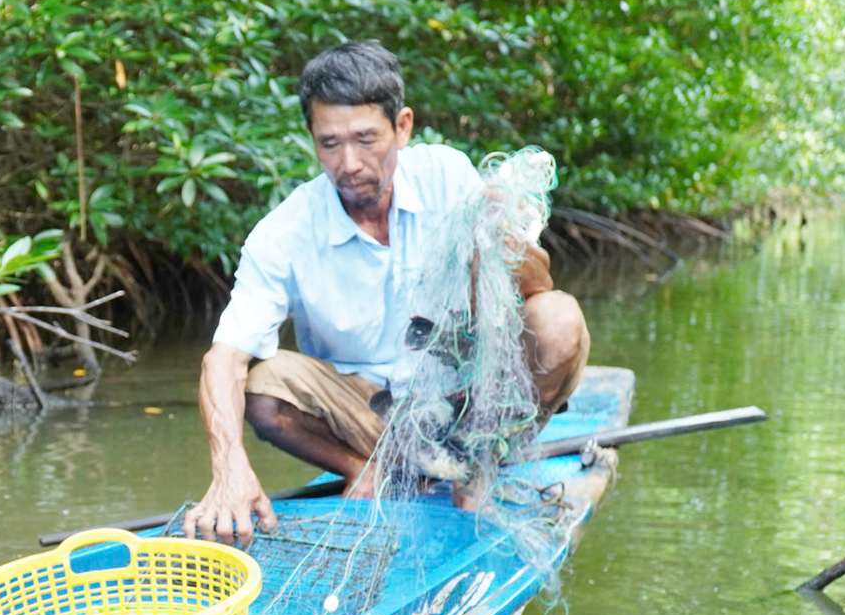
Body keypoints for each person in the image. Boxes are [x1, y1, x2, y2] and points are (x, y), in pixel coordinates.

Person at [182, 40, 590, 546]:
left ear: (402, 128)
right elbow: (220, 361)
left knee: (558, 319)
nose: (348, 162)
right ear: (311, 140)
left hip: (465, 402)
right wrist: (229, 471)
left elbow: (536, 286)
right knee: (264, 383)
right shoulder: (283, 232)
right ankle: (366, 472)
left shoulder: (447, 176)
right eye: (329, 143)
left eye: (366, 139)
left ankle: (482, 461)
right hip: (367, 416)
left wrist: (503, 240)